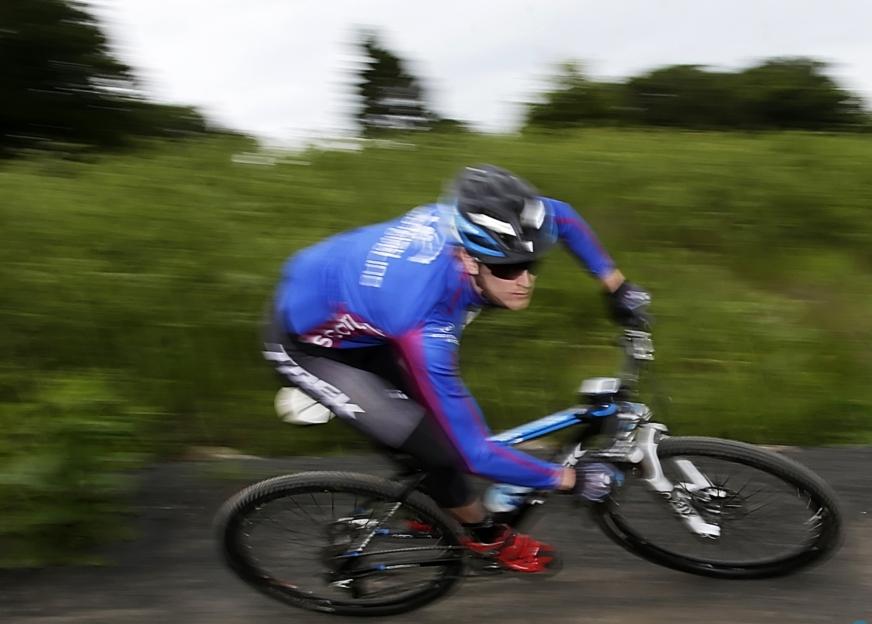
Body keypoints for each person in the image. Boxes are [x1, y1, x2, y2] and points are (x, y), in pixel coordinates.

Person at [263, 164, 652, 574]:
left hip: (360, 309)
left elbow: (564, 217)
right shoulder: (425, 319)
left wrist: (616, 285)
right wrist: (571, 480)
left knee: (433, 433)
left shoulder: (487, 221)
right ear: (467, 258)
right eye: (507, 269)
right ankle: (486, 539)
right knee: (438, 448)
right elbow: (474, 454)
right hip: (311, 348)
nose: (524, 281)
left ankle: (433, 505)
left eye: (532, 264)